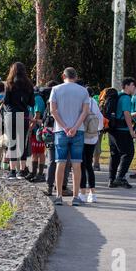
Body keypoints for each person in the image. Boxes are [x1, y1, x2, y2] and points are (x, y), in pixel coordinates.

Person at [49, 67, 90, 206]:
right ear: (76, 77)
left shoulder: (55, 89)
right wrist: (75, 127)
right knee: (76, 164)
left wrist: (65, 127)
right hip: (78, 130)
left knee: (60, 162)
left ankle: (59, 195)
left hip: (61, 130)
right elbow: (85, 112)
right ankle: (75, 197)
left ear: (63, 76)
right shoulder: (83, 91)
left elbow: (53, 111)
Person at [3, 62, 35, 180]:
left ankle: (12, 171)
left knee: (12, 143)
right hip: (24, 115)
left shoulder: (9, 84)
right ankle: (21, 171)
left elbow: (6, 101)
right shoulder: (29, 85)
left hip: (11, 115)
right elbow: (32, 103)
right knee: (22, 143)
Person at [108, 77, 136, 189]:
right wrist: (131, 131)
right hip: (122, 131)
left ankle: (112, 179)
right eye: (132, 85)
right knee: (128, 153)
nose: (133, 87)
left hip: (113, 130)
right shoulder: (125, 98)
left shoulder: (117, 96)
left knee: (114, 155)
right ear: (126, 86)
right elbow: (126, 114)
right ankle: (120, 178)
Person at [79, 87, 104, 203]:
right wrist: (96, 130)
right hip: (93, 137)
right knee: (89, 165)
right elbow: (100, 119)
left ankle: (82, 193)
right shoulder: (94, 102)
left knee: (81, 165)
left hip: (82, 137)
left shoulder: (81, 103)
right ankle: (92, 193)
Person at [25, 87, 47, 182]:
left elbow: (37, 115)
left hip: (39, 130)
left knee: (40, 152)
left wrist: (29, 128)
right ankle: (34, 172)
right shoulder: (32, 98)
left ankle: (40, 173)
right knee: (34, 152)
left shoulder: (37, 98)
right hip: (34, 130)